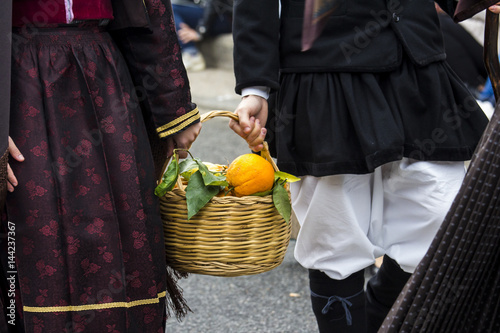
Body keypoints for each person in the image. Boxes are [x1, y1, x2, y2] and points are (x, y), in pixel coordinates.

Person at [229, 0, 489, 332]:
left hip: (415, 62)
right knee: (336, 234)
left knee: (445, 221)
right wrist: (256, 86)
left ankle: (376, 317)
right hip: (324, 73)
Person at [0, 0, 202, 331]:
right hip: (16, 86)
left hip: (103, 79)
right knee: (31, 230)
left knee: (118, 234)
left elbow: (149, 13)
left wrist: (174, 106)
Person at [380, 2, 500, 332]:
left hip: (425, 75)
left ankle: (382, 306)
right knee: (339, 246)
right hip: (340, 75)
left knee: (442, 221)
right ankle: (377, 309)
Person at [172, 0, 233, 71]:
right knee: (170, 9)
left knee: (172, 10)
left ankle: (192, 55)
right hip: (209, 12)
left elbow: (214, 3)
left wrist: (200, 31)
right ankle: (190, 52)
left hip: (223, 16)